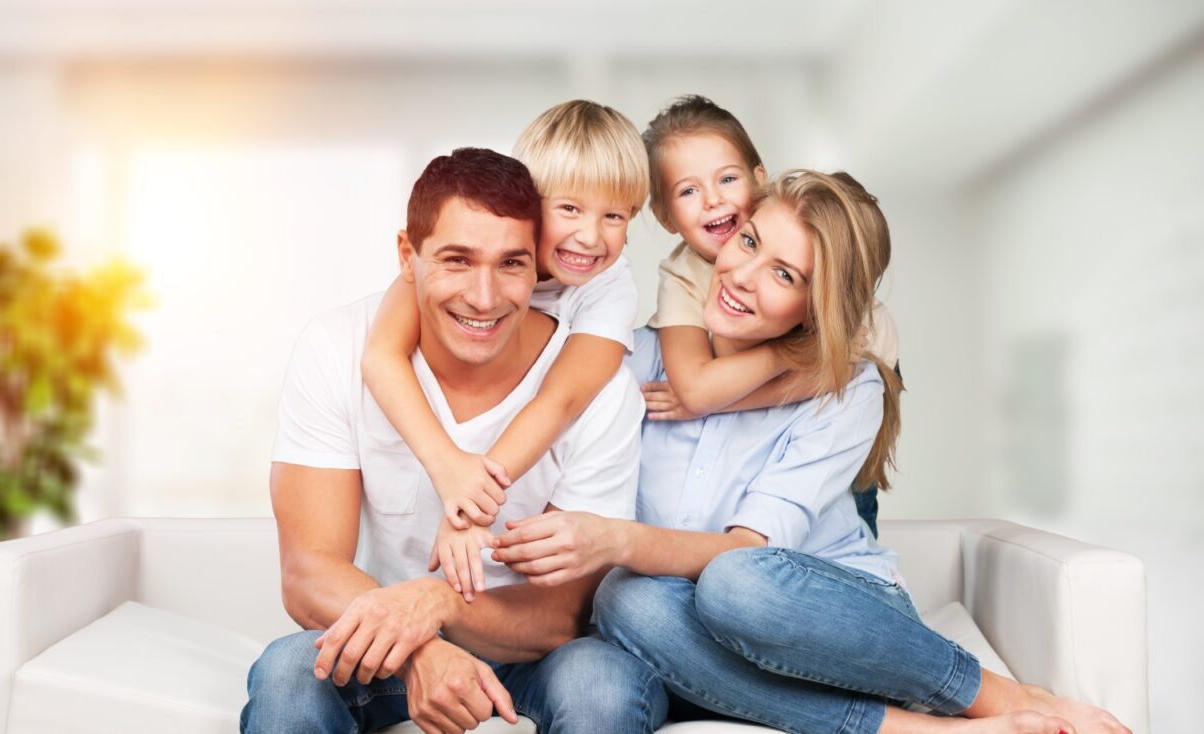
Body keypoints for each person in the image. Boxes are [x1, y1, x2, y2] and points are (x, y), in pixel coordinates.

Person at [489, 170, 1130, 734]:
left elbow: (747, 556)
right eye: (747, 243)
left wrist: (617, 540)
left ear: (815, 306)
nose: (740, 277)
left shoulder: (846, 389)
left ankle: (992, 696)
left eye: (784, 274)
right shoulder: (631, 358)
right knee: (623, 604)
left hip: (828, 620)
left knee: (736, 584)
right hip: (676, 633)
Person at [241, 147, 667, 734]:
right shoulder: (338, 346)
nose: (485, 297)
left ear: (539, 264)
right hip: (389, 640)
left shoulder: (601, 389)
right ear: (407, 256)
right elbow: (309, 570)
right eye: (457, 260)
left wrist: (440, 603)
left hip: (534, 657)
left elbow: (558, 615)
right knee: (289, 671)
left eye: (511, 264)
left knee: (602, 682)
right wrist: (419, 646)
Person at [360, 100, 649, 600]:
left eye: (614, 216)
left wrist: (472, 504)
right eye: (570, 209)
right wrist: (447, 466)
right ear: (531, 205)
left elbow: (560, 398)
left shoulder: (610, 288)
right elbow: (380, 357)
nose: (590, 236)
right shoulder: (463, 251)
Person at [638, 94, 900, 535]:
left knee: (848, 507)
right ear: (665, 217)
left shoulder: (843, 293)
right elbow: (698, 390)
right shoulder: (683, 275)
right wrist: (789, 353)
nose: (713, 201)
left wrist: (784, 358)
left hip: (837, 420)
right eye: (688, 190)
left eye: (727, 178)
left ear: (759, 180)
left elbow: (846, 375)